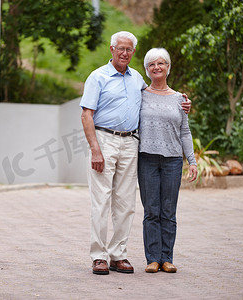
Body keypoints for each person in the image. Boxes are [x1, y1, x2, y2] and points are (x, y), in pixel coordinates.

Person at [80, 32, 191, 275]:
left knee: (126, 203)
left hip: (131, 143)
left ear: (133, 52)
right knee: (101, 201)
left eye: (129, 49)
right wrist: (95, 150)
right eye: (120, 48)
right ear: (112, 49)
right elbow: (86, 114)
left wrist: (182, 102)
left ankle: (118, 255)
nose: (124, 53)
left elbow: (158, 93)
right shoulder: (97, 77)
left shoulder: (137, 78)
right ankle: (99, 256)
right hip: (104, 141)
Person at [137, 48, 198, 274]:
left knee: (168, 211)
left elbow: (185, 132)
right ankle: (152, 259)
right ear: (147, 69)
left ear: (168, 67)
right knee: (151, 210)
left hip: (172, 160)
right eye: (151, 64)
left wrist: (191, 160)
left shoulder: (179, 99)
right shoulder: (140, 95)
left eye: (161, 63)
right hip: (147, 159)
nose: (156, 68)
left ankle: (167, 258)